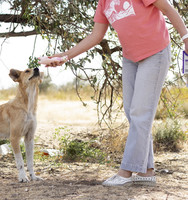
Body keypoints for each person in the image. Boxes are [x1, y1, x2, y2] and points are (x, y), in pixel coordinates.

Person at [45, 0, 188, 186]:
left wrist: (186, 38)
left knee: (140, 113)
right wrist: (64, 56)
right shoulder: (103, 3)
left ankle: (126, 172)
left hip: (155, 53)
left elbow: (167, 8)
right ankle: (146, 172)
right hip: (131, 58)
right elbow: (96, 36)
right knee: (132, 113)